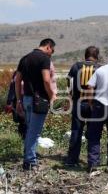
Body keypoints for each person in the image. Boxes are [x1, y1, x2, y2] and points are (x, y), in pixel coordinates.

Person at [15, 38, 56, 170]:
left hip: (26, 98)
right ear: (48, 47)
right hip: (39, 100)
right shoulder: (44, 59)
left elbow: (17, 81)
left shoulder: (25, 58)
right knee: (34, 132)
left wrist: (18, 100)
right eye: (52, 50)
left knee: (29, 130)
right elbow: (46, 80)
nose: (51, 53)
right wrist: (52, 96)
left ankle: (28, 156)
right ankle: (30, 161)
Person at [65, 46, 101, 167]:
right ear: (97, 56)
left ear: (85, 55)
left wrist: (69, 97)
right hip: (93, 105)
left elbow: (69, 82)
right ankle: (92, 161)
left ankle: (72, 160)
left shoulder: (76, 66)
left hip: (78, 103)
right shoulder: (99, 68)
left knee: (76, 131)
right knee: (93, 133)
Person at [5, 71, 27, 140]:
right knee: (23, 122)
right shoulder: (18, 73)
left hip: (23, 100)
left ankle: (24, 140)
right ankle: (24, 140)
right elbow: (12, 89)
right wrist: (9, 102)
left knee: (24, 122)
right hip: (19, 101)